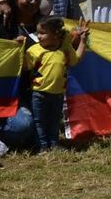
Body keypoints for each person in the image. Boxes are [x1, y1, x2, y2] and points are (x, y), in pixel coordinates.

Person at [26, 16, 87, 152]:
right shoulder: (34, 50)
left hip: (58, 94)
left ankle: (54, 144)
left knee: (54, 121)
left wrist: (83, 40)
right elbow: (24, 66)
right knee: (39, 121)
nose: (39, 37)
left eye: (42, 33)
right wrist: (17, 49)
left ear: (55, 35)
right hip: (39, 93)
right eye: (38, 33)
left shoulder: (65, 49)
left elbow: (75, 60)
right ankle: (42, 146)